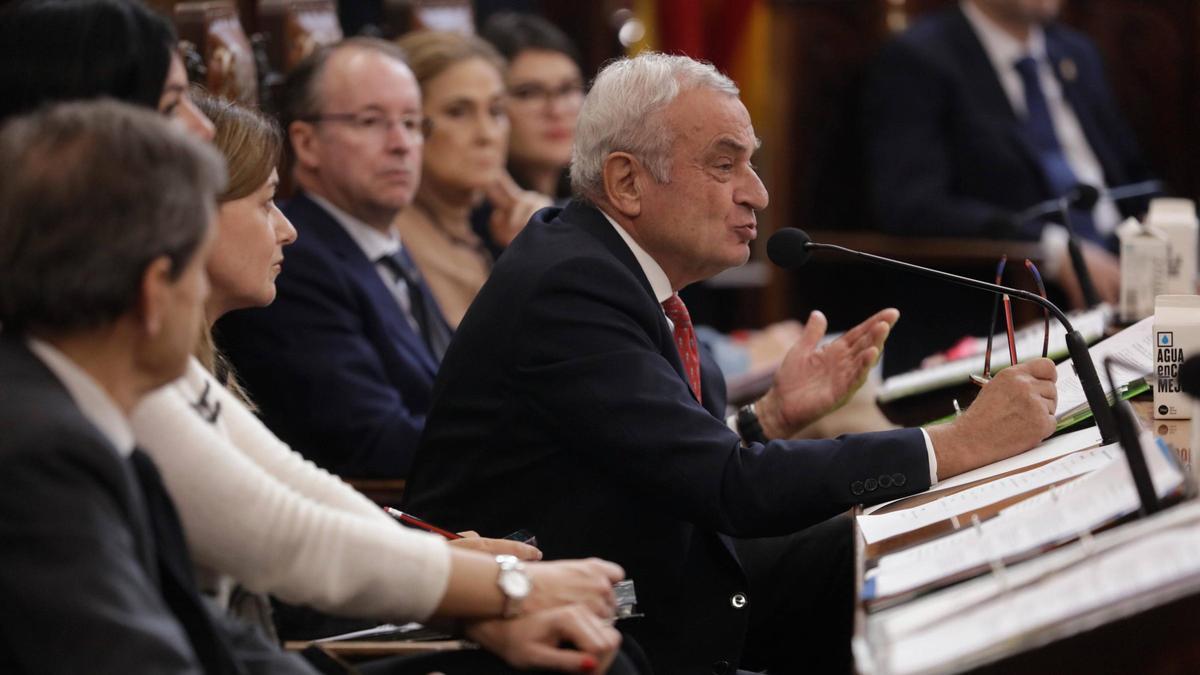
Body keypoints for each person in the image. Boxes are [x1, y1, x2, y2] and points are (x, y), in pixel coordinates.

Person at [402, 52, 1061, 675]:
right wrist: (956, 443)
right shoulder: (569, 287)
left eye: (753, 163)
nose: (760, 194)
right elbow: (727, 488)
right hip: (587, 625)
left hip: (650, 574)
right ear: (628, 181)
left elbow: (660, 460)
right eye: (725, 166)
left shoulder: (607, 267)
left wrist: (766, 419)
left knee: (878, 547)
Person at [131, 92, 629, 673]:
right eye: (267, 203)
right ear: (188, 218)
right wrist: (500, 586)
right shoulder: (139, 378)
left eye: (414, 122)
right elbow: (291, 531)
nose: (288, 230)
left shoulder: (192, 364)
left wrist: (453, 566)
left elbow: (305, 489)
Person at [0, 98, 317, 675]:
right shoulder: (44, 449)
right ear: (152, 290)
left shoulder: (70, 413)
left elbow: (206, 629)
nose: (288, 231)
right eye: (195, 267)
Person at [217, 38, 448, 479]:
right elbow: (371, 444)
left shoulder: (381, 243)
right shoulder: (294, 259)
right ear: (306, 143)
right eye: (372, 121)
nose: (402, 143)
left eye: (413, 122)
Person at [861, 0, 1154, 310]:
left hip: (1130, 267)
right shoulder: (918, 59)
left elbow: (1134, 177)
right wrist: (1049, 249)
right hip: (1021, 297)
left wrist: (1167, 232)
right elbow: (913, 204)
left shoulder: (1077, 52)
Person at [392, 30, 546, 328]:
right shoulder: (394, 241)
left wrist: (540, 243)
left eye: (496, 111)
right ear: (409, 124)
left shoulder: (497, 230)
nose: (486, 134)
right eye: (458, 112)